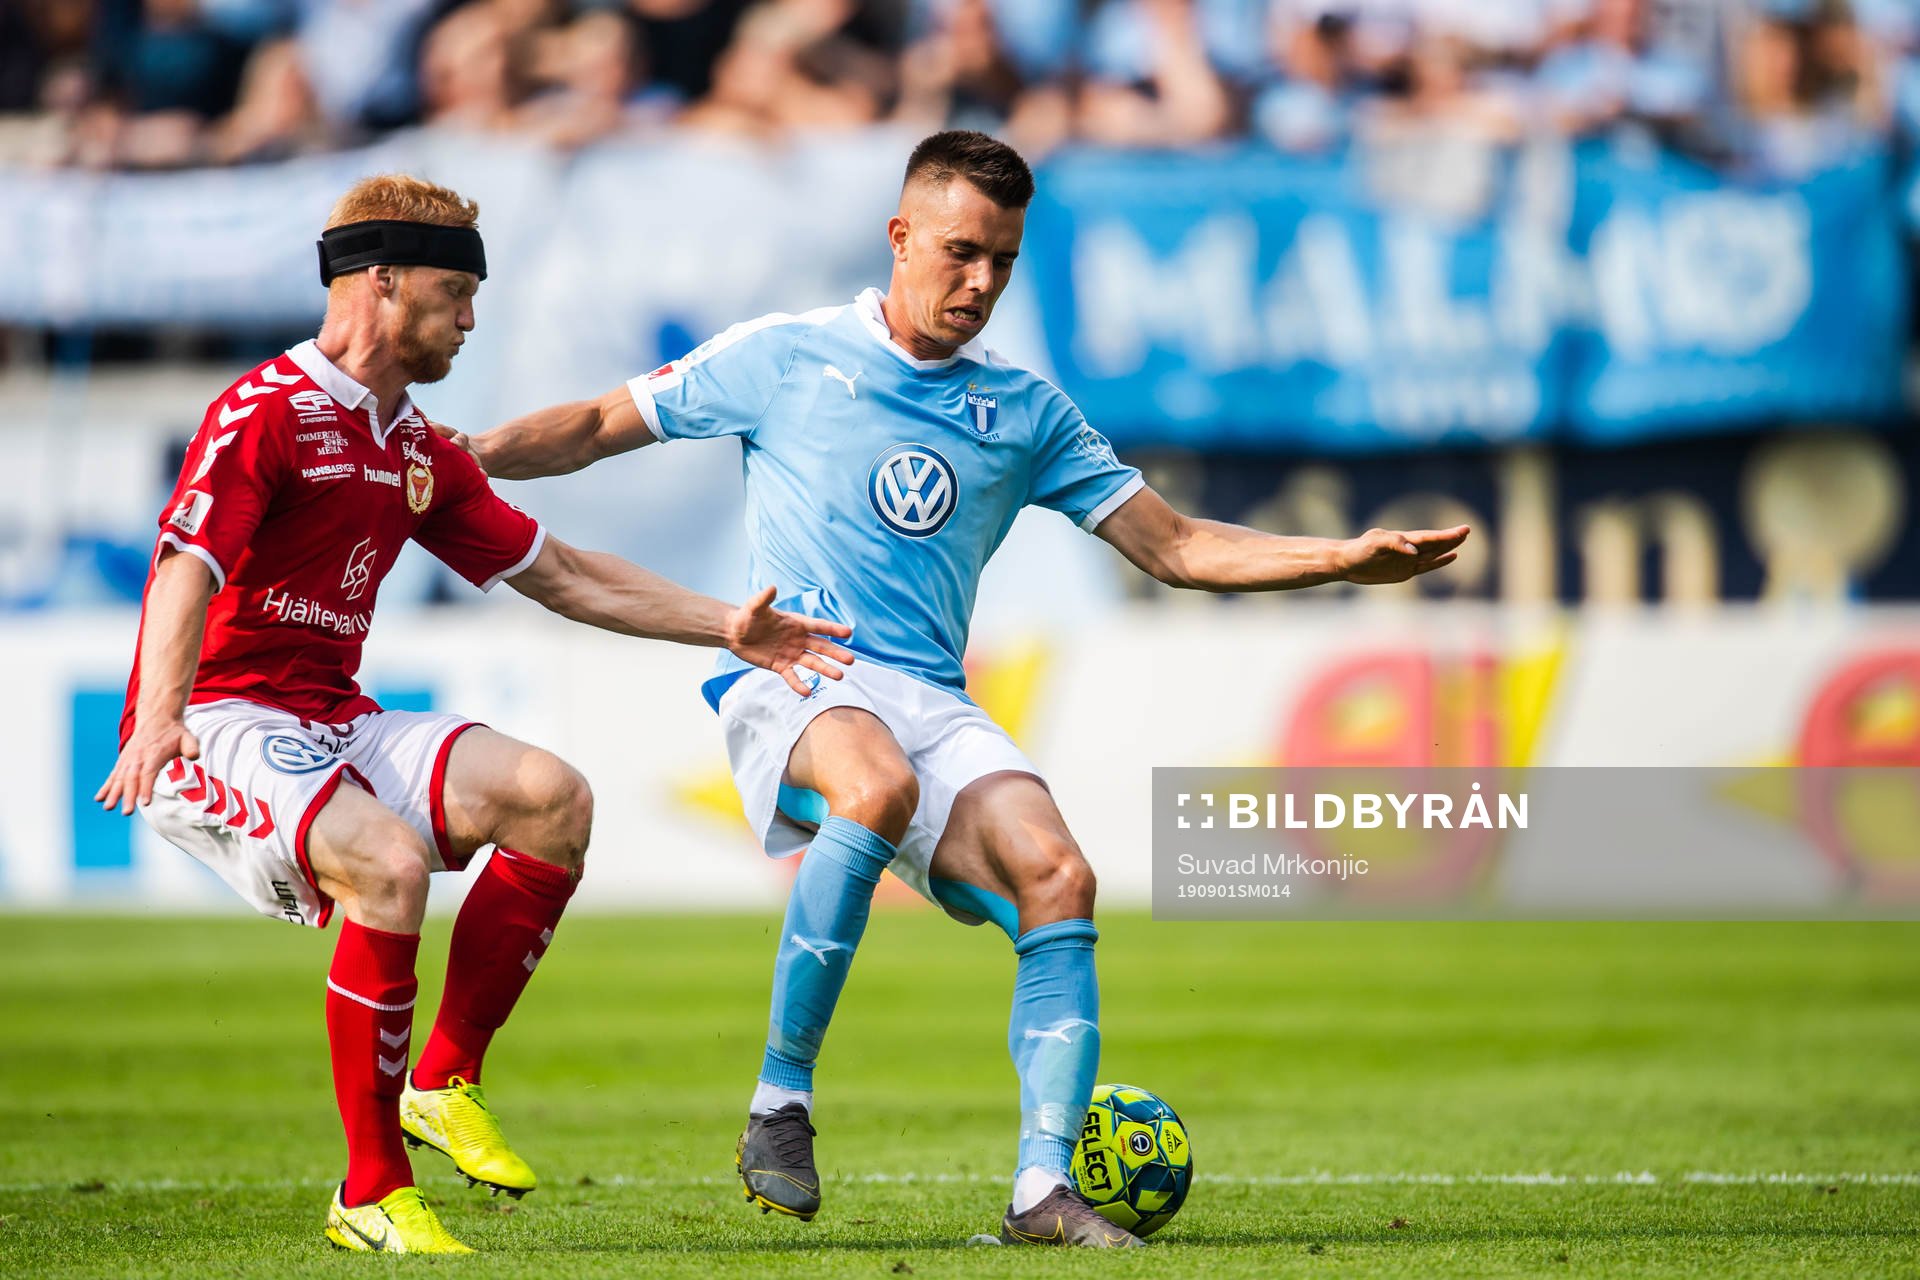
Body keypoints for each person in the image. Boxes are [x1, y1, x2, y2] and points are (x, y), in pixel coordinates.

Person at [471, 130, 1467, 1247]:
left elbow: (1178, 545)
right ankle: (779, 1101)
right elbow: (606, 422)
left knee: (1059, 872)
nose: (981, 281)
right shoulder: (789, 355)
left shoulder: (1027, 413)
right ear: (900, 237)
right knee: (875, 779)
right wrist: (466, 457)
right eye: (960, 251)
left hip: (930, 695)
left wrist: (1340, 557)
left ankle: (1043, 1192)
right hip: (798, 668)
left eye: (1001, 259)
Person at [97, 174, 853, 1256]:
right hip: (221, 716)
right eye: (453, 291)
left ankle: (443, 1076)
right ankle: (368, 1190)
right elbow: (186, 567)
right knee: (392, 865)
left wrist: (727, 623)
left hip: (329, 714)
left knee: (551, 798)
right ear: (380, 282)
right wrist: (159, 717)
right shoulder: (265, 410)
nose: (470, 316)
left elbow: (570, 575)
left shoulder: (416, 449)